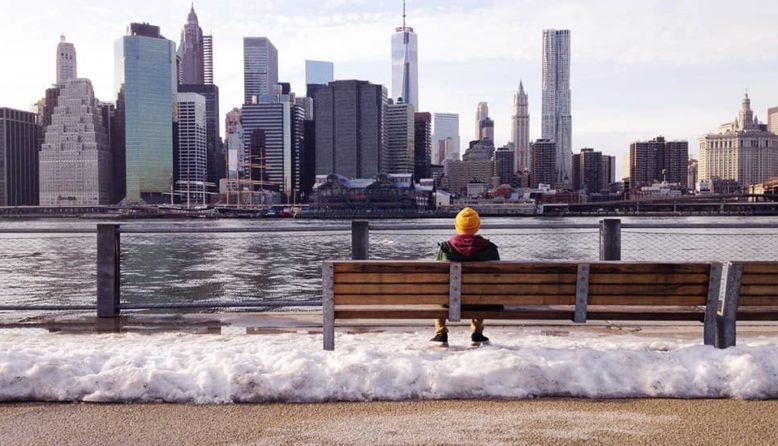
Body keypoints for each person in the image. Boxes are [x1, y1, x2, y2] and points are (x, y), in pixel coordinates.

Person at [431, 207, 500, 346]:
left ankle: (440, 333)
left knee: (439, 292)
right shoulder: (490, 249)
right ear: (478, 227)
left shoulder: (446, 248)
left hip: (448, 302)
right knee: (482, 290)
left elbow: (437, 276)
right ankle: (477, 333)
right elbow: (496, 278)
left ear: (457, 226)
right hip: (480, 301)